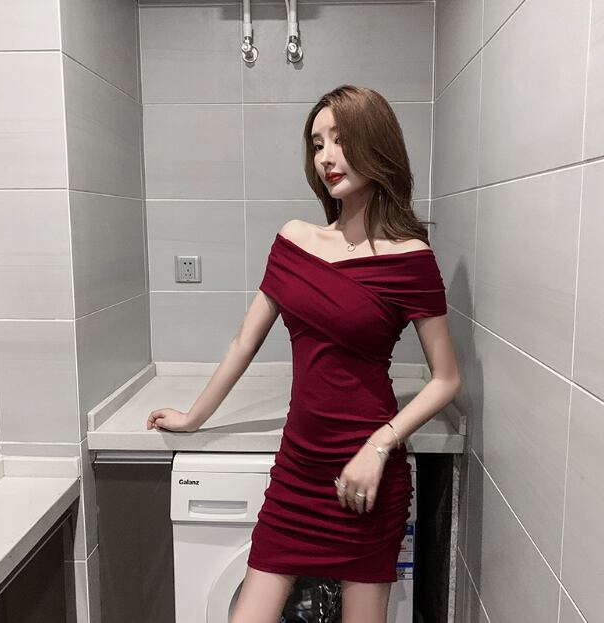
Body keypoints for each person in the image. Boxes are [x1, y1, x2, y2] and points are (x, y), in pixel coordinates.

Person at [146, 84, 462, 623]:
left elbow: (446, 379)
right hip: (298, 470)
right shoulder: (294, 241)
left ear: (376, 143)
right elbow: (244, 342)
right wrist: (193, 418)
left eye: (340, 140)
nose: (326, 158)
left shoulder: (410, 258)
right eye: (317, 145)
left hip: (366, 474)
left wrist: (379, 447)